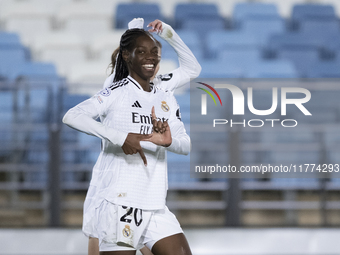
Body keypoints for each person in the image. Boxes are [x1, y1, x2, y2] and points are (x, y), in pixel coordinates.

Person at [63, 25, 193, 255]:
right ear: (127, 56)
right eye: (142, 52)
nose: (151, 59)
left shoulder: (165, 94)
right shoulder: (116, 90)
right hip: (118, 199)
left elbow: (185, 144)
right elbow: (72, 116)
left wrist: (167, 142)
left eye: (155, 54)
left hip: (154, 202)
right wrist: (121, 137)